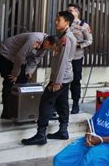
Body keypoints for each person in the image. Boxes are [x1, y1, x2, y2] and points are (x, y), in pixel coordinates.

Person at [53, 71, 109, 165]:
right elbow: (92, 121)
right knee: (60, 159)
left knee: (89, 162)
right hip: (92, 139)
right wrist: (88, 132)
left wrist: (102, 139)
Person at [22, 11, 77, 145]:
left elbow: (63, 60)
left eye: (59, 20)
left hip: (61, 78)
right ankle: (63, 130)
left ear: (67, 22)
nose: (56, 22)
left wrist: (57, 81)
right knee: (62, 103)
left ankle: (41, 134)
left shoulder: (66, 38)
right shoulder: (63, 36)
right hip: (65, 77)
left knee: (46, 102)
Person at [0, 33, 58, 119]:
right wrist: (15, 74)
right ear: (47, 42)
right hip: (6, 53)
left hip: (18, 57)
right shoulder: (34, 40)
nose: (50, 50)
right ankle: (7, 112)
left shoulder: (45, 46)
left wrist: (29, 71)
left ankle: (18, 110)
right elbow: (20, 56)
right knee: (10, 80)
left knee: (23, 81)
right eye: (50, 48)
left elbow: (35, 60)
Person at [67, 3, 93, 114]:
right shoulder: (65, 24)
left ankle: (76, 104)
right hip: (65, 57)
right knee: (63, 81)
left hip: (77, 57)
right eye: (67, 10)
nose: (69, 12)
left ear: (77, 12)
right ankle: (60, 103)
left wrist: (79, 45)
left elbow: (89, 40)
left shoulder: (84, 25)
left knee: (75, 81)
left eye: (71, 11)